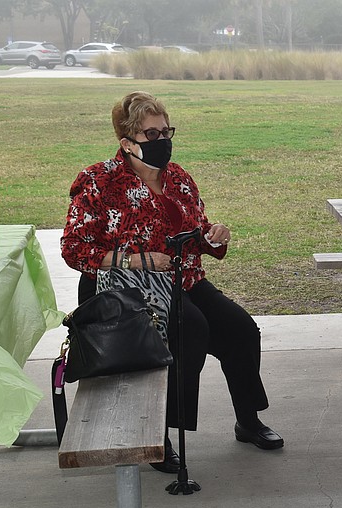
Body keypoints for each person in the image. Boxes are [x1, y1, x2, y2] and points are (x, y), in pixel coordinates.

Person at [61, 91, 283, 474]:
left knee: (242, 331)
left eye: (167, 131)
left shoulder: (178, 177)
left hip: (185, 281)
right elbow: (73, 248)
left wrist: (211, 237)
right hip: (131, 290)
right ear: (127, 141)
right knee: (190, 329)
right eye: (152, 134)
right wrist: (136, 260)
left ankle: (247, 420)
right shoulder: (99, 181)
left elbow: (193, 233)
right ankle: (158, 435)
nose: (163, 141)